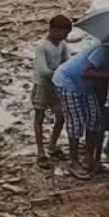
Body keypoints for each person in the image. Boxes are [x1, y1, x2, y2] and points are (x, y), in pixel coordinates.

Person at [51, 44, 109, 180]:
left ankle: (89, 157)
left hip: (87, 87)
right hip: (68, 82)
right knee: (76, 122)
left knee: (94, 119)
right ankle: (73, 162)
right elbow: (85, 72)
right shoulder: (104, 50)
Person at [30, 15, 73, 168]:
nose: (65, 37)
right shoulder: (42, 46)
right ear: (54, 30)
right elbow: (43, 70)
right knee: (39, 117)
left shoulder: (62, 44)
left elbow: (68, 61)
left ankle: (52, 145)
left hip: (55, 85)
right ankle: (40, 151)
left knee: (61, 116)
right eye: (64, 33)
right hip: (42, 85)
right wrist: (61, 71)